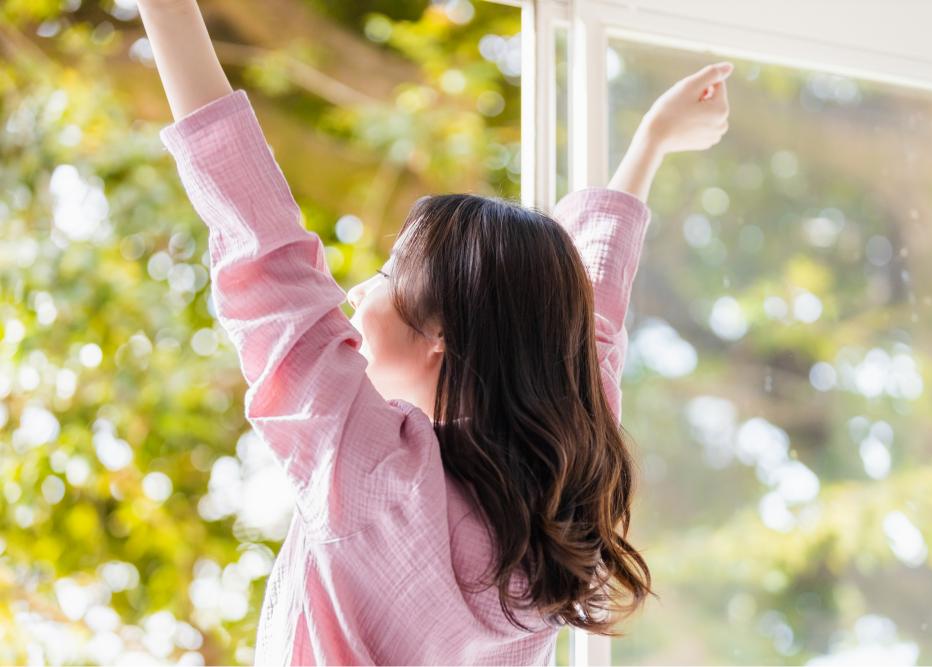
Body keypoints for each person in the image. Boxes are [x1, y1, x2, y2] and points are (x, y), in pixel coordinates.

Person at [137, 0, 731, 663]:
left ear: (443, 332)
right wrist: (649, 143)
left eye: (386, 273)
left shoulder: (371, 474)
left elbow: (266, 252)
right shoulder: (560, 506)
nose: (359, 290)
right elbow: (589, 328)